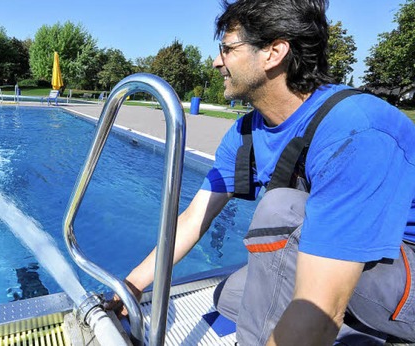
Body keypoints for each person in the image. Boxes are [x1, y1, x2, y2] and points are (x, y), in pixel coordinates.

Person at [106, 0, 415, 344]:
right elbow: (194, 219)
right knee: (230, 297)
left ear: (274, 52)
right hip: (349, 266)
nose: (216, 61)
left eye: (227, 48)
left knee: (282, 210)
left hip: (405, 283)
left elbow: (322, 306)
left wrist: (316, 320)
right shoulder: (247, 133)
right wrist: (132, 285)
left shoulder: (356, 131)